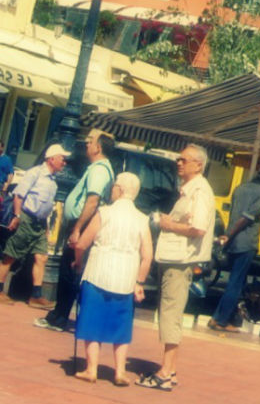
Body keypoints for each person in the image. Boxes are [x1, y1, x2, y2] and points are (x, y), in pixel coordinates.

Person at [137, 144, 214, 392]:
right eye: (178, 159)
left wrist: (168, 224)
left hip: (180, 261)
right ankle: (170, 369)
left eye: (184, 160)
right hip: (175, 258)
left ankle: (164, 373)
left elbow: (198, 228)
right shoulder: (190, 190)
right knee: (170, 312)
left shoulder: (199, 191)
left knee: (170, 313)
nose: (179, 163)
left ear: (198, 165)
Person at [72, 172, 153, 385]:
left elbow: (82, 244)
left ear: (119, 189)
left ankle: (91, 369)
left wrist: (77, 262)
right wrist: (139, 282)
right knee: (121, 326)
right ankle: (119, 372)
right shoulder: (141, 219)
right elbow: (147, 256)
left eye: (114, 187)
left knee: (92, 320)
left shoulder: (104, 212)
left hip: (98, 272)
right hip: (125, 279)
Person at [36, 130, 115, 332]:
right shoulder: (98, 168)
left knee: (69, 270)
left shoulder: (99, 170)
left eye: (90, 142)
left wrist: (77, 229)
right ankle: (59, 315)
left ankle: (59, 317)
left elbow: (92, 200)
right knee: (70, 270)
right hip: (82, 224)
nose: (86, 145)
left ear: (99, 147)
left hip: (83, 225)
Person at [0, 144, 70, 306]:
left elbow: (46, 207)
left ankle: (36, 296)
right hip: (26, 219)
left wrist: (46, 228)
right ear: (51, 159)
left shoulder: (53, 182)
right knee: (11, 256)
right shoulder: (35, 173)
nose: (64, 162)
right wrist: (17, 216)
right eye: (62, 158)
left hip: (40, 225)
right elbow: (19, 195)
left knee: (42, 257)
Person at [207, 164, 260, 332]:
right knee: (235, 284)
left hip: (233, 242)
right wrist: (229, 234)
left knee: (235, 282)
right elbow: (246, 218)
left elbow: (235, 214)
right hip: (246, 242)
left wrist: (228, 235)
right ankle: (221, 321)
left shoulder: (239, 188)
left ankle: (217, 318)